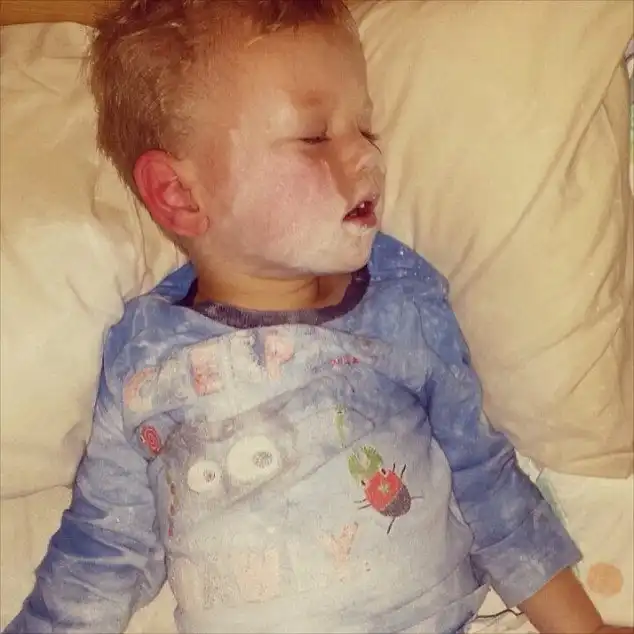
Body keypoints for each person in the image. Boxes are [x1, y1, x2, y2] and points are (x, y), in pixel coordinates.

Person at [4, 1, 631, 633]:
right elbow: (103, 548)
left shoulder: (400, 303)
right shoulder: (147, 359)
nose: (366, 159)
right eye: (314, 136)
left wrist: (583, 629)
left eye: (367, 131)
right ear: (179, 193)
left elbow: (485, 479)